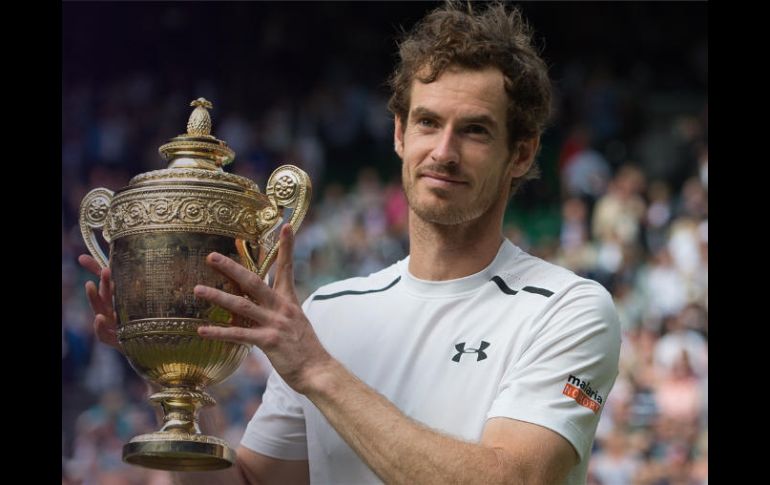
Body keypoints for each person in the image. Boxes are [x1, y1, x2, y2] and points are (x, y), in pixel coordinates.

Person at [79, 2, 621, 484]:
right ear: (399, 134)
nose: (444, 151)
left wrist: (317, 369)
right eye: (428, 123)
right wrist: (178, 380)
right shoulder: (328, 315)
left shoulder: (568, 309)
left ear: (522, 154)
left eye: (475, 130)